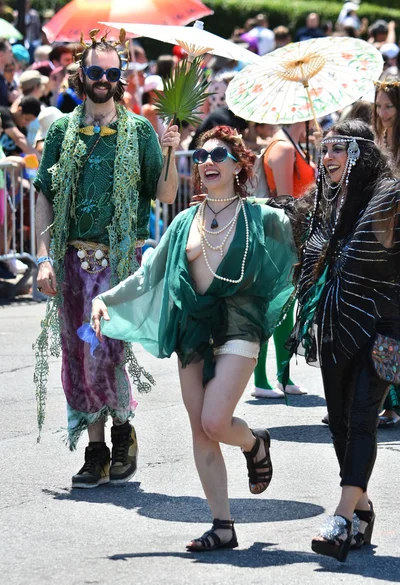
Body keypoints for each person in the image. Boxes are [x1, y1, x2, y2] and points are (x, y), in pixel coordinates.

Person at [90, 126, 296, 550]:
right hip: (192, 329)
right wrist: (103, 298)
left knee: (215, 421)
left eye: (219, 154)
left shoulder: (264, 216)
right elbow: (149, 275)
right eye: (200, 153)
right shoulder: (185, 221)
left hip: (239, 322)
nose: (207, 161)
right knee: (201, 432)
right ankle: (222, 525)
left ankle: (254, 443)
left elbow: (299, 260)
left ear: (239, 164)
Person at [33, 30, 180, 489]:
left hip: (119, 262)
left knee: (109, 350)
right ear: (82, 74)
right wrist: (43, 259)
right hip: (72, 261)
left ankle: (122, 433)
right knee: (79, 352)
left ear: (121, 79)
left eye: (112, 73)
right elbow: (44, 196)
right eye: (95, 72)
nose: (103, 80)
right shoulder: (62, 129)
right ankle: (95, 450)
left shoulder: (138, 131)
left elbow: (165, 193)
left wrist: (171, 147)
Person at [287, 120, 400, 562]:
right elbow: (305, 243)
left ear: (362, 155)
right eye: (324, 149)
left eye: (339, 149)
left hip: (383, 327)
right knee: (338, 425)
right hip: (335, 323)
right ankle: (363, 508)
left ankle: (340, 518)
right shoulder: (322, 203)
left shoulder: (390, 197)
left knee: (360, 420)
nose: (328, 157)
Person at [252, 121, 315, 398]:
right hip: (282, 235)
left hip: (284, 234)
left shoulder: (290, 144)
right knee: (275, 304)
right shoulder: (285, 147)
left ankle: (280, 376)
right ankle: (266, 379)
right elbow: (287, 201)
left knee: (284, 305)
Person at [373, 78, 400, 427]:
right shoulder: (380, 139)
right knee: (384, 327)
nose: (382, 113)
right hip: (382, 241)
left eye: (389, 106)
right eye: (379, 106)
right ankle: (388, 403)